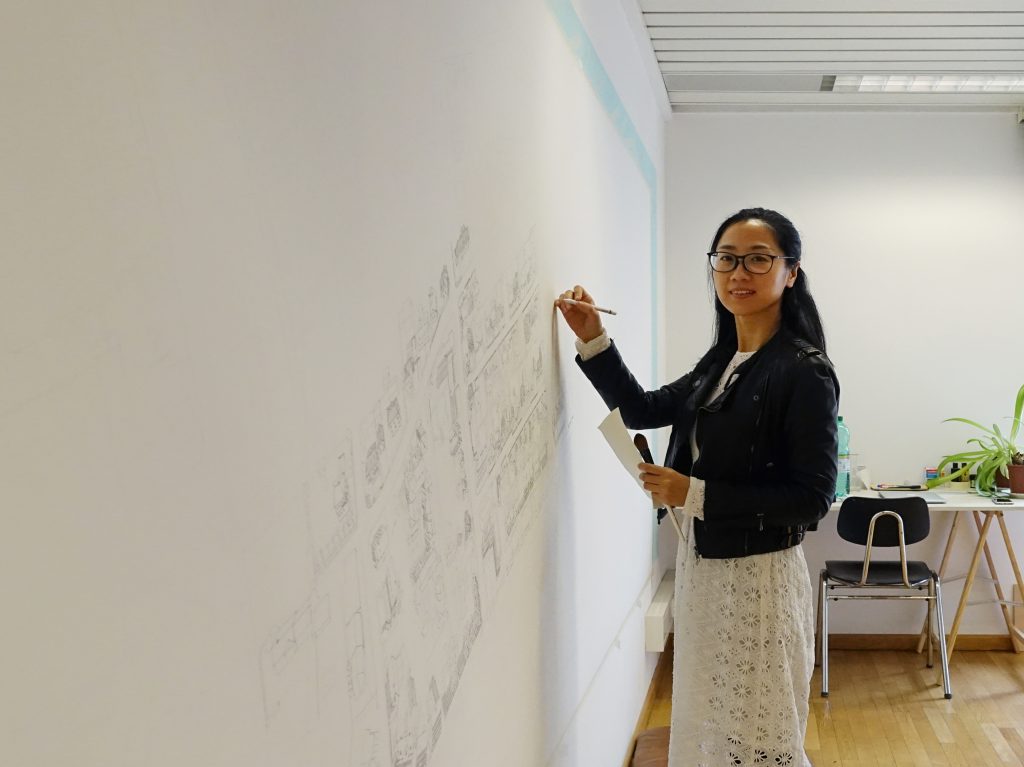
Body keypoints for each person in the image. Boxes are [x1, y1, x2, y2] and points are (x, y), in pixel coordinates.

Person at [556, 208, 838, 767]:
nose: (739, 272)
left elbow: (812, 498)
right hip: (703, 569)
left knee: (760, 731)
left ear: (791, 273)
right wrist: (594, 340)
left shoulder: (804, 371)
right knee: (711, 720)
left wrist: (695, 493)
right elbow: (644, 408)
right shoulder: (722, 360)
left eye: (759, 259)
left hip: (760, 582)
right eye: (726, 259)